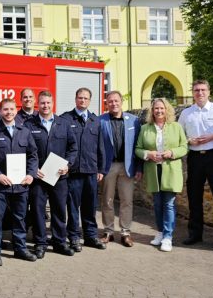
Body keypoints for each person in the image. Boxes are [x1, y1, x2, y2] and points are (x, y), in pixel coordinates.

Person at [178, 80, 213, 248]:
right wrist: (189, 140)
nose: (199, 93)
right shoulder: (186, 113)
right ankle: (195, 234)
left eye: (202, 90)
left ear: (209, 92)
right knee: (194, 197)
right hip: (195, 158)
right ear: (192, 93)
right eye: (196, 90)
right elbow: (179, 136)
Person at [25, 91, 77, 258]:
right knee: (38, 211)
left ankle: (60, 242)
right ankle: (40, 243)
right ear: (37, 104)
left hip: (59, 176)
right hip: (38, 178)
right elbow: (24, 150)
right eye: (42, 103)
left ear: (52, 103)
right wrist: (32, 170)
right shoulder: (29, 125)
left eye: (48, 103)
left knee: (59, 210)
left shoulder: (64, 123)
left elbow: (73, 148)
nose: (45, 106)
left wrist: (67, 165)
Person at [0, 98, 39, 265]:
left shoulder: (24, 131)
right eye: (5, 109)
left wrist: (31, 174)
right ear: (0, 111)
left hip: (21, 184)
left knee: (20, 217)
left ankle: (20, 248)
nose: (9, 112)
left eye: (11, 109)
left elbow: (33, 155)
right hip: (0, 184)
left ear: (16, 111)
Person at [135, 98, 188, 252]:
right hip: (153, 170)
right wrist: (148, 154)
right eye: (156, 108)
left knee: (169, 204)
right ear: (152, 111)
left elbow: (184, 147)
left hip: (171, 170)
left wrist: (171, 152)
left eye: (162, 108)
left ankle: (168, 236)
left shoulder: (176, 127)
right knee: (157, 204)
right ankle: (159, 233)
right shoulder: (145, 128)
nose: (159, 111)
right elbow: (138, 148)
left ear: (167, 110)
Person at [60, 88, 106, 251]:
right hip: (73, 172)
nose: (83, 101)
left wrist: (101, 169)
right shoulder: (65, 119)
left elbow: (100, 147)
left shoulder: (95, 121)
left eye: (86, 98)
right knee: (73, 207)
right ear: (75, 99)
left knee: (90, 206)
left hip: (91, 171)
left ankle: (91, 236)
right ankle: (73, 237)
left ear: (89, 100)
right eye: (80, 98)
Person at [98, 91, 142, 247]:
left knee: (126, 201)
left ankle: (125, 232)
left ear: (121, 101)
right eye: (110, 101)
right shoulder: (100, 120)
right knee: (107, 200)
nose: (113, 104)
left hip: (127, 166)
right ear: (107, 103)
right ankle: (108, 231)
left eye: (116, 101)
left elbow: (139, 145)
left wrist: (139, 168)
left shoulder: (134, 121)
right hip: (108, 166)